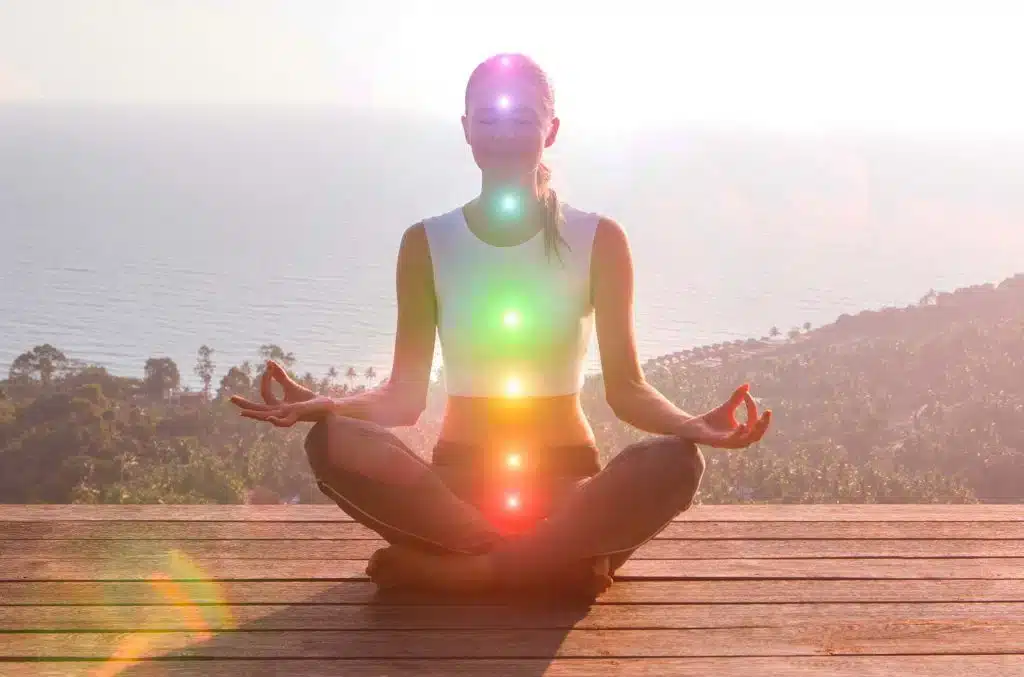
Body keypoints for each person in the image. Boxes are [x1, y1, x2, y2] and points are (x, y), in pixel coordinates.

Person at [231, 53, 771, 597]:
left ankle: (471, 571)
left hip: (566, 484)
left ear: (551, 130)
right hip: (456, 489)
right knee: (333, 443)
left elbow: (627, 391)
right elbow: (403, 399)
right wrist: (328, 406)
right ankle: (555, 566)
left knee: (677, 462)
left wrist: (692, 426)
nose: (503, 134)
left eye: (522, 120)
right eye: (487, 119)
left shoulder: (599, 239)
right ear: (465, 129)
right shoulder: (427, 243)